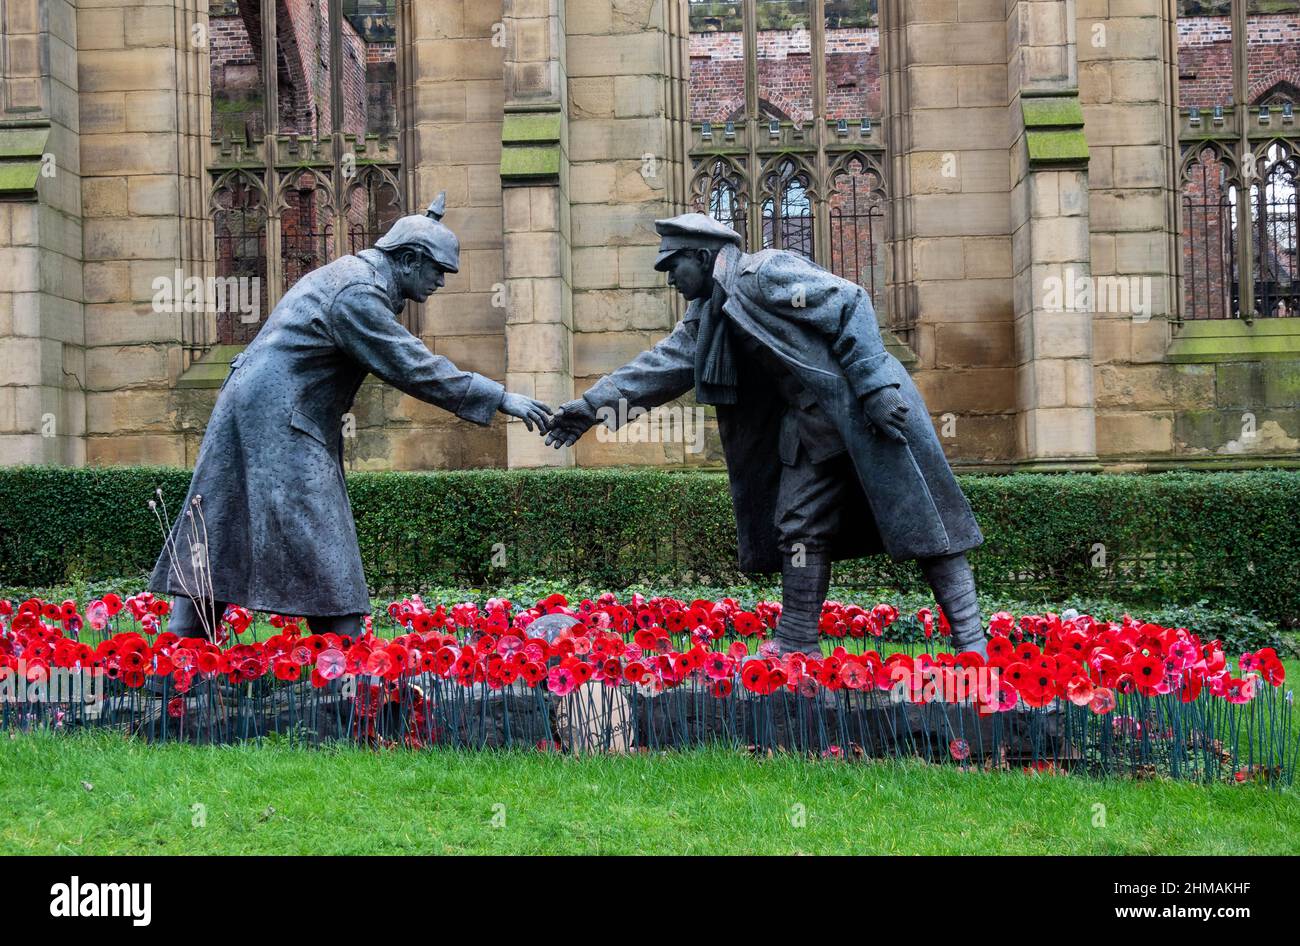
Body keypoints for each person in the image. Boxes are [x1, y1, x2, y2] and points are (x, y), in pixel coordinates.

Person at [545, 213, 987, 657]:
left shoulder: (765, 273)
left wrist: (875, 386)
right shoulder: (708, 313)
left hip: (866, 409)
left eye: (672, 266)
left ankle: (971, 644)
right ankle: (797, 641)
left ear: (701, 257)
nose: (670, 280)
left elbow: (850, 300)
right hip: (812, 427)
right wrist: (589, 409)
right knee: (798, 524)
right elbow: (660, 368)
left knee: (926, 522)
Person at [150, 194, 552, 641]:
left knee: (223, 520)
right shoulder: (357, 293)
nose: (440, 281)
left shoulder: (352, 277)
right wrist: (500, 397)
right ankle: (349, 663)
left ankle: (180, 655)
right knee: (321, 534)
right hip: (281, 419)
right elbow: (410, 364)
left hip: (258, 410)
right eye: (437, 270)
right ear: (409, 258)